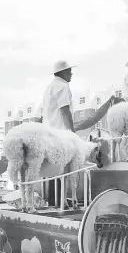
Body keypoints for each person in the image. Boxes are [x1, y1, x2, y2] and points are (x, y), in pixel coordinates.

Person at [42, 60, 77, 208]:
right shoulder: (63, 86)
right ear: (62, 72)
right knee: (61, 169)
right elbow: (65, 112)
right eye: (69, 71)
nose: (71, 73)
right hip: (60, 134)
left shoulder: (49, 87)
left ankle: (53, 199)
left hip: (48, 133)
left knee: (52, 169)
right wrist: (72, 134)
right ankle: (59, 200)